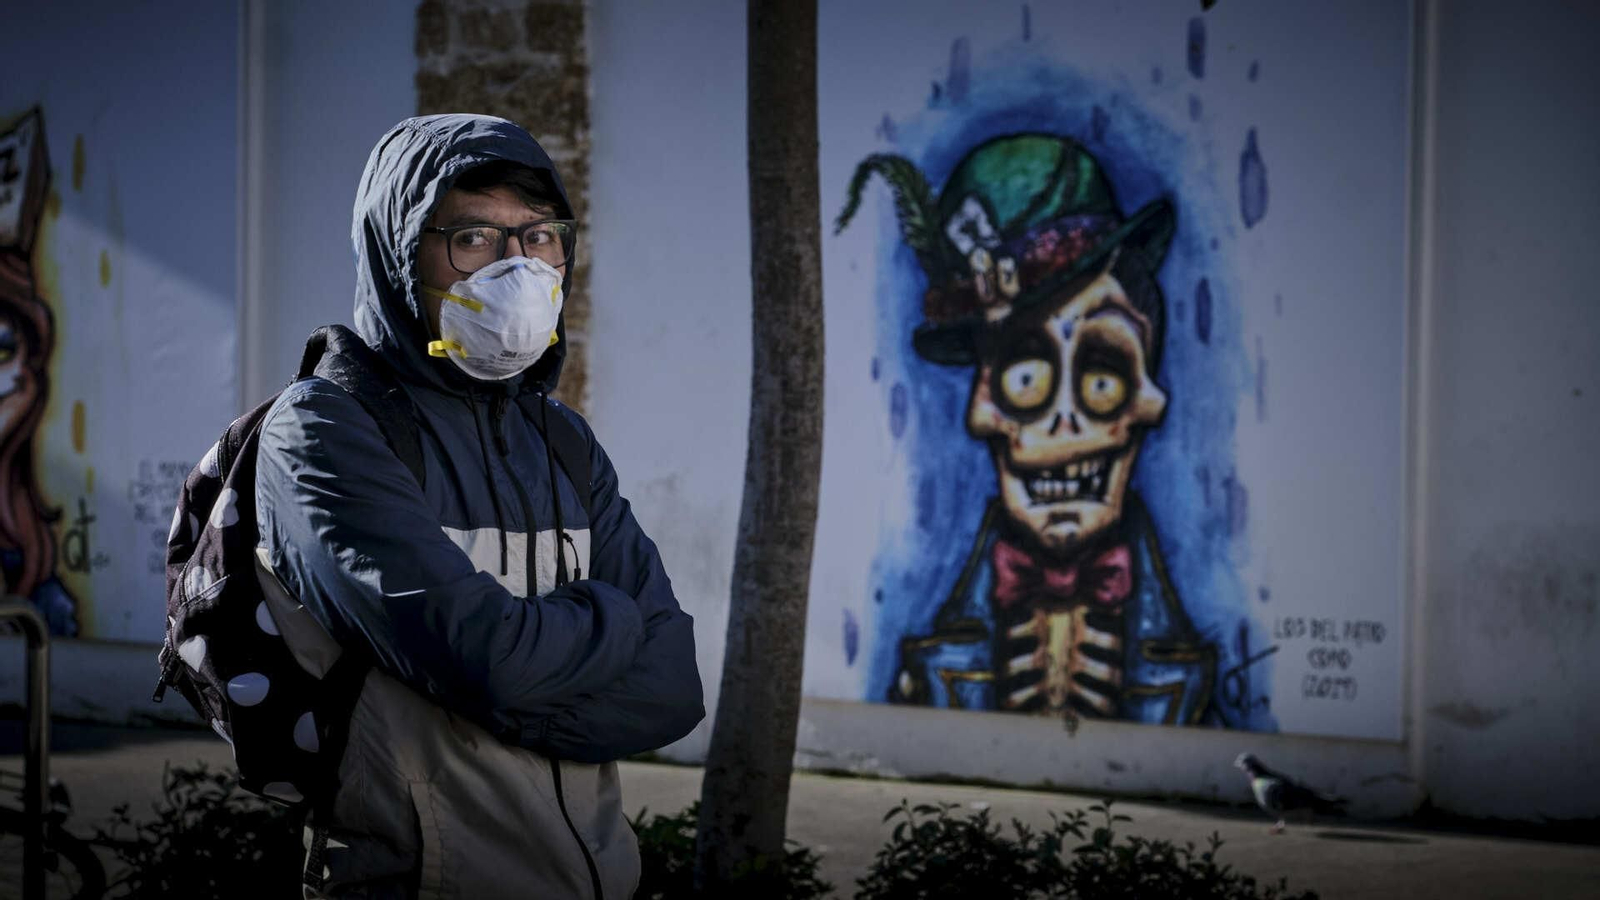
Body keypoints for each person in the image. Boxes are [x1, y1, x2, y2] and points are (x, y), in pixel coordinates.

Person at [254, 113, 703, 898]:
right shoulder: (326, 427)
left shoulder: (560, 438)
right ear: (401, 255)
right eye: (473, 238)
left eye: (539, 236)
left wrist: (499, 688)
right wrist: (612, 621)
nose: (518, 268)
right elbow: (487, 659)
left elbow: (670, 688)